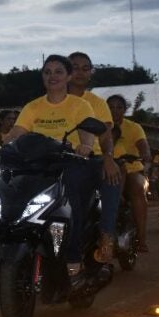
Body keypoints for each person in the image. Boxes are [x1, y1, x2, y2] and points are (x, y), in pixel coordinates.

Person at [2, 55, 96, 280]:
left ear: (69, 76)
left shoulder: (80, 105)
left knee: (72, 198)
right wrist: (1, 146)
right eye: (47, 72)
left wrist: (85, 146)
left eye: (58, 72)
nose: (52, 76)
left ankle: (73, 255)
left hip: (68, 162)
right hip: (36, 165)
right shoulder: (33, 106)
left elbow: (87, 130)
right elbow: (18, 132)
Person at [68, 52, 122, 262]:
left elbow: (106, 133)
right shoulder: (50, 100)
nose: (80, 72)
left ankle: (106, 234)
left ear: (90, 73)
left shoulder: (97, 103)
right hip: (58, 160)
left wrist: (108, 157)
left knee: (111, 177)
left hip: (92, 159)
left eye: (85, 68)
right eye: (74, 67)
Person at [107, 94, 152, 252]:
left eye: (119, 107)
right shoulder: (101, 126)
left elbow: (143, 145)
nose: (115, 110)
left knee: (137, 189)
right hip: (105, 170)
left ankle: (142, 237)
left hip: (133, 170)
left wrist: (145, 154)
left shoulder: (134, 127)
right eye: (111, 107)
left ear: (125, 110)